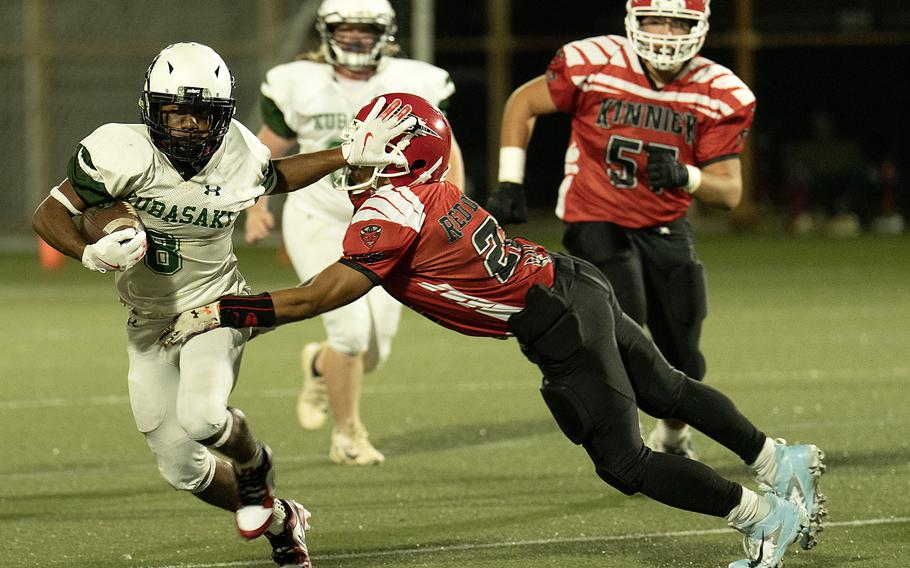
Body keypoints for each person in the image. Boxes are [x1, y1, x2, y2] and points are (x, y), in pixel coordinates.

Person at [163, 93, 827, 568]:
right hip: (570, 281)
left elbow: (315, 298)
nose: (355, 163)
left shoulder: (391, 211)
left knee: (624, 462)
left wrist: (225, 310)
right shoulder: (429, 186)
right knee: (669, 391)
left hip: (556, 318)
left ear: (397, 162)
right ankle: (777, 459)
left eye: (369, 151)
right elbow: (420, 159)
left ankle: (764, 518)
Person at [31, 43, 414, 568]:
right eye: (176, 111)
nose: (188, 126)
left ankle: (256, 464)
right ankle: (284, 519)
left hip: (218, 306)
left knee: (203, 416)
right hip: (147, 322)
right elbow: (50, 213)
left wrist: (345, 155)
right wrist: (89, 250)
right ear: (151, 109)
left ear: (223, 116)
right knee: (181, 469)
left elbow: (277, 175)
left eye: (201, 114)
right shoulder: (117, 151)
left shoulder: (240, 152)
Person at [486, 0, 756, 460]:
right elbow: (523, 103)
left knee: (685, 355)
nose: (667, 33)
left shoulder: (720, 90)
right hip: (596, 215)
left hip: (665, 224)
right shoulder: (595, 61)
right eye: (657, 20)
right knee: (623, 318)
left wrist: (687, 176)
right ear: (634, 19)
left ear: (701, 27)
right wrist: (511, 178)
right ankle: (623, 446)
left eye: (680, 22)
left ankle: (671, 434)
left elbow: (729, 193)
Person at [245, 0, 465, 466]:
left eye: (367, 28)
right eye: (347, 29)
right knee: (348, 332)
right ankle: (348, 434)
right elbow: (268, 148)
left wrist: (451, 207)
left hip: (388, 220)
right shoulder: (299, 84)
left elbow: (446, 147)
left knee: (373, 352)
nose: (357, 38)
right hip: (319, 216)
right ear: (327, 33)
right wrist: (257, 202)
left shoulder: (415, 81)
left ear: (385, 33)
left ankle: (319, 365)